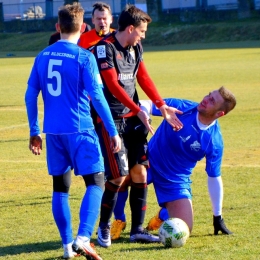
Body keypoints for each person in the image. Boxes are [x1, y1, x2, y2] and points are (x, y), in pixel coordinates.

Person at [24, 3, 120, 260]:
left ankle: (68, 246)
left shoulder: (42, 56)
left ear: (58, 27)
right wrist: (113, 131)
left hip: (54, 133)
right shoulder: (84, 57)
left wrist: (35, 130)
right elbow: (97, 97)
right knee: (97, 182)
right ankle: (84, 238)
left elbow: (30, 94)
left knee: (60, 188)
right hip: (80, 130)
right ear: (83, 27)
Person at [91, 4, 183, 248]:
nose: (144, 35)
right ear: (130, 28)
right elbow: (112, 85)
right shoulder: (104, 49)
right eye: (142, 31)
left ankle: (137, 230)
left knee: (140, 172)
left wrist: (160, 105)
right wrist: (137, 110)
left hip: (133, 118)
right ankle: (103, 228)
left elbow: (142, 77)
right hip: (110, 120)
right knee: (119, 176)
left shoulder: (136, 47)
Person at [142, 86, 236, 236]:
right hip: (148, 161)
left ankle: (162, 216)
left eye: (212, 100)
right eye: (208, 95)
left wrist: (217, 216)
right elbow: (145, 104)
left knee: (184, 229)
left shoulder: (214, 141)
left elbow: (214, 177)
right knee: (118, 180)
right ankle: (115, 222)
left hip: (175, 180)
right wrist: (144, 115)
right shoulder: (182, 108)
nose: (206, 99)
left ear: (219, 113)